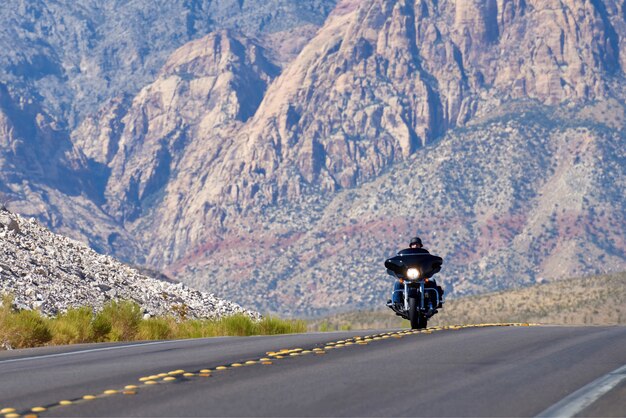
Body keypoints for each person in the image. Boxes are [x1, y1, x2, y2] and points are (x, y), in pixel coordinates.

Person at [388, 237, 444, 310]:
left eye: (417, 244)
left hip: (421, 276)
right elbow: (401, 263)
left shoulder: (424, 255)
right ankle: (396, 303)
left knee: (432, 281)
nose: (415, 246)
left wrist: (433, 263)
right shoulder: (406, 256)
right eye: (414, 244)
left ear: (420, 245)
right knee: (398, 283)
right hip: (408, 276)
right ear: (411, 246)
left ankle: (436, 301)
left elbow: (429, 262)